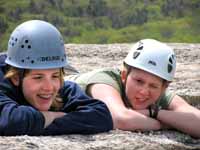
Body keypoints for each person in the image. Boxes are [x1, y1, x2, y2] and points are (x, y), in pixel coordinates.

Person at [66, 39, 200, 138]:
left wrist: (155, 113)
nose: (144, 91)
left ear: (164, 87)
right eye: (139, 81)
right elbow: (121, 119)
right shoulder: (104, 81)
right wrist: (164, 121)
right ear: (124, 75)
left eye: (153, 86)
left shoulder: (160, 94)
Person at [0, 20, 113, 136]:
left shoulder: (61, 87)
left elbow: (101, 116)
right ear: (16, 77)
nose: (49, 87)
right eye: (38, 77)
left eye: (55, 76)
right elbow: (10, 122)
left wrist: (38, 126)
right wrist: (51, 116)